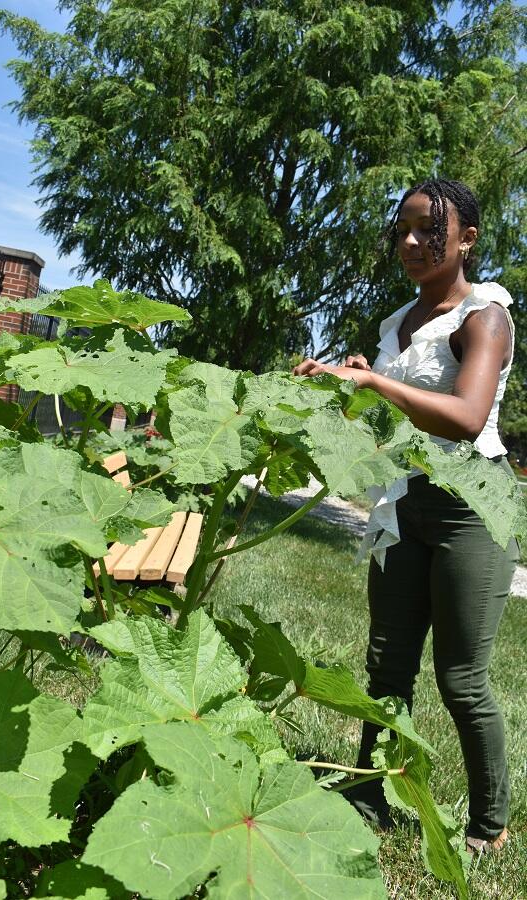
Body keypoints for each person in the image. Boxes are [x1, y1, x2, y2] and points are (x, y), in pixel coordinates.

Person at [293, 179, 518, 854]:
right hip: (402, 501)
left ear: (467, 240)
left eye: (429, 231)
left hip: (471, 506)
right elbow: (401, 404)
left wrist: (372, 382)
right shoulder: (399, 322)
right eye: (404, 231)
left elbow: (466, 416)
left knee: (461, 678)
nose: (412, 243)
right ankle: (369, 790)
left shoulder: (485, 316)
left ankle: (489, 824)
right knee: (388, 664)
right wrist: (355, 373)